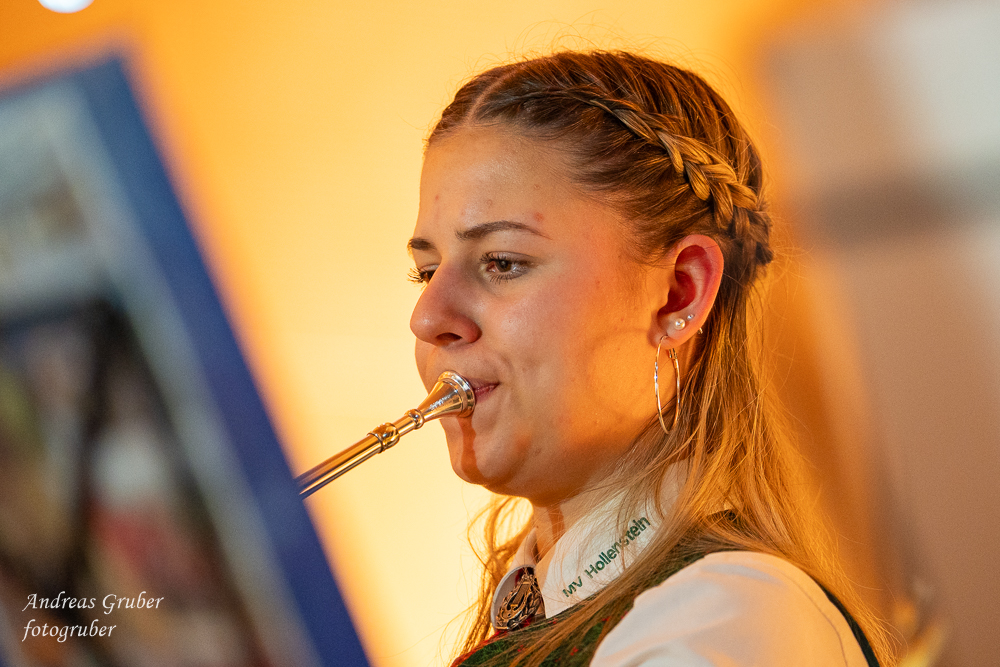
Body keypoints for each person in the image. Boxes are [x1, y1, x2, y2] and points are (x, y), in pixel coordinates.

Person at [406, 50, 890, 667]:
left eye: (503, 262)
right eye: (425, 272)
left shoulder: (727, 618)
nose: (426, 318)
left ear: (678, 294)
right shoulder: (556, 607)